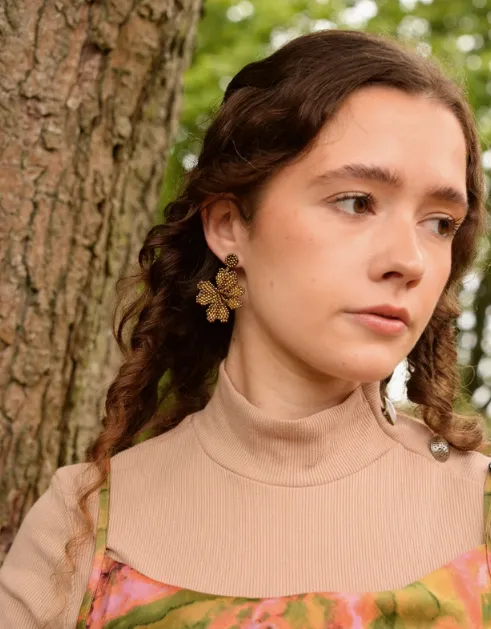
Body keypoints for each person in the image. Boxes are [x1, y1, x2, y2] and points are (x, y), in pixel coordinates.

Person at [0, 27, 490, 629]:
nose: (410, 260)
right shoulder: (80, 529)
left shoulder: (482, 507)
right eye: (357, 202)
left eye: (440, 222)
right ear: (230, 225)